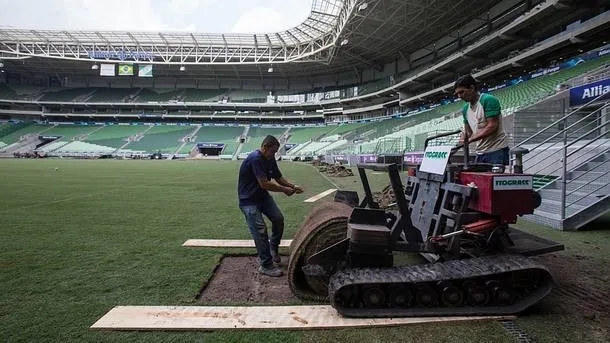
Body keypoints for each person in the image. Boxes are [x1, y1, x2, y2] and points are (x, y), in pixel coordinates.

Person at [237, 135, 303, 277]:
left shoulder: (270, 158)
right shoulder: (256, 158)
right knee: (260, 230)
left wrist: (292, 186)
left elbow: (278, 177)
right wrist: (285, 190)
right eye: (273, 151)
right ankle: (266, 265)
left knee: (278, 219)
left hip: (262, 197)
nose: (274, 154)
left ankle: (273, 247)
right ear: (265, 147)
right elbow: (264, 183)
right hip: (249, 201)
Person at [454, 75, 509, 165]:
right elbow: (468, 132)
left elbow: (492, 126)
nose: (459, 96)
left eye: (461, 92)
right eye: (457, 94)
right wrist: (458, 145)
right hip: (479, 152)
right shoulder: (465, 109)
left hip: (496, 151)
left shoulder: (488, 100)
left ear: (472, 88)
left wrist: (470, 140)